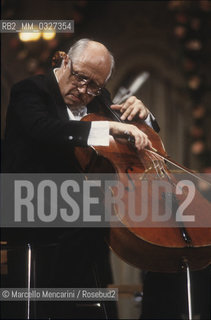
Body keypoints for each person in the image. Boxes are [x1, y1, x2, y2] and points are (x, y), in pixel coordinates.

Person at [2, 38, 159, 319]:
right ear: (65, 62)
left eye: (94, 85)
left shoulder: (100, 99)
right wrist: (107, 126)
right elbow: (46, 130)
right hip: (29, 208)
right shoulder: (29, 91)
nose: (84, 90)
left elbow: (129, 131)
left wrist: (144, 117)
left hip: (79, 216)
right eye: (80, 78)